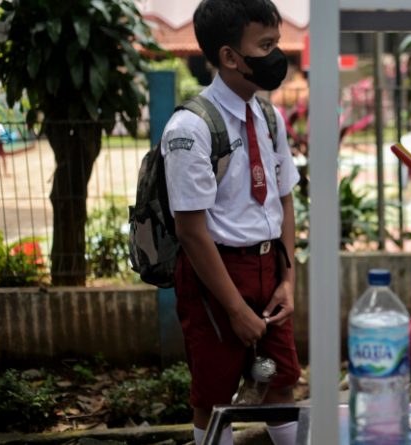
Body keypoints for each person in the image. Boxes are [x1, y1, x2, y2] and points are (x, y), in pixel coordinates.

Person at [161, 1, 300, 444]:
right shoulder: (190, 128)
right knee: (214, 395)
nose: (277, 56)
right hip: (216, 276)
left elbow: (284, 201)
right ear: (229, 56)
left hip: (268, 268)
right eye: (266, 45)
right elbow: (191, 230)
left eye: (276, 43)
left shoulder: (269, 117)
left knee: (281, 382)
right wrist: (236, 310)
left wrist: (288, 279)